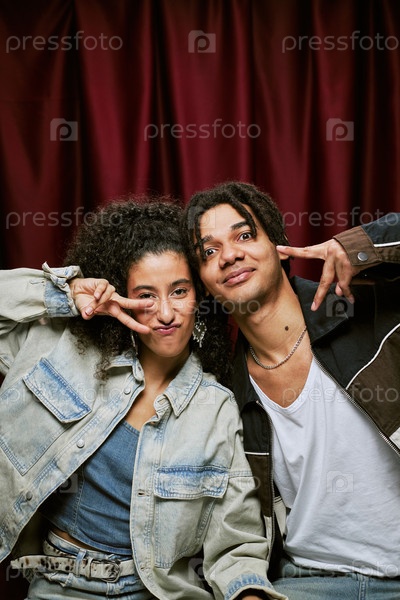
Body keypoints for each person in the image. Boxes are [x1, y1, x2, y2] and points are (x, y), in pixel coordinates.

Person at [0, 198, 288, 600]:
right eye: (146, 296)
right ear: (122, 297)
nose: (166, 313)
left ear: (200, 298)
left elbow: (236, 546)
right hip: (57, 585)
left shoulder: (216, 408)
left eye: (179, 291)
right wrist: (65, 293)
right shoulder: (65, 347)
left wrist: (247, 592)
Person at [181, 181, 400, 599]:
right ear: (204, 284)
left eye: (245, 235)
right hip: (307, 581)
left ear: (279, 247)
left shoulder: (369, 310)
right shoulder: (225, 394)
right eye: (209, 252)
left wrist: (359, 246)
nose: (229, 255)